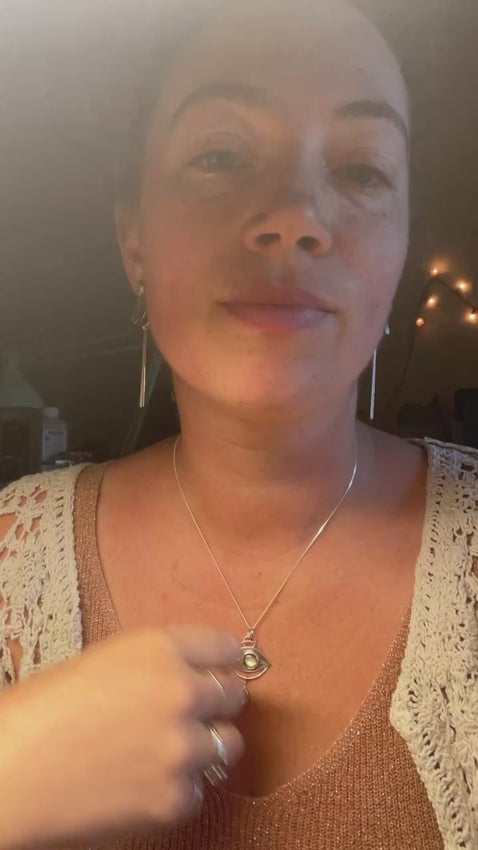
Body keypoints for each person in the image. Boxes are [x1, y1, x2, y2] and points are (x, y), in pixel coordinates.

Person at [0, 0, 477, 847]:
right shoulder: (11, 554)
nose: (294, 217)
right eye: (220, 154)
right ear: (134, 238)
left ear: (402, 248)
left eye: (362, 169)